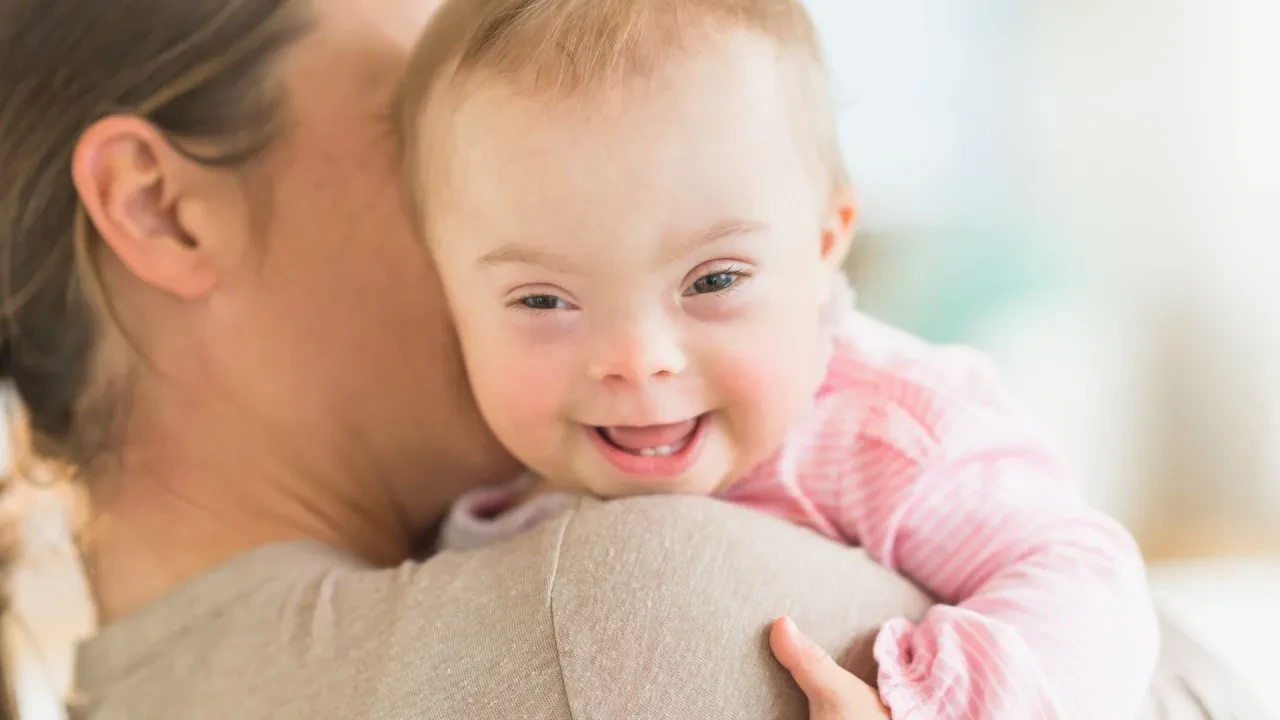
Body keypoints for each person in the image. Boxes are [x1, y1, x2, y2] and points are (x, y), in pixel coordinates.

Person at [0, 1, 960, 718]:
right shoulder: (615, 613)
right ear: (156, 207)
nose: (554, 191)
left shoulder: (125, 690)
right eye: (416, 123)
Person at [403, 0, 1160, 717]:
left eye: (715, 280)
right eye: (544, 301)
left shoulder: (881, 437)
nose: (637, 361)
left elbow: (1079, 573)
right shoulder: (470, 472)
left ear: (824, 245)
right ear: (445, 290)